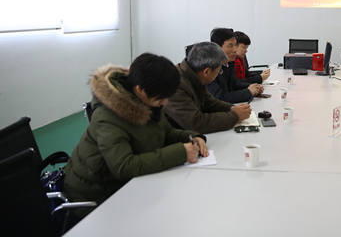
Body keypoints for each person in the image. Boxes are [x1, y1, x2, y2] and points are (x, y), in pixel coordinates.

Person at [64, 53, 208, 221]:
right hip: (95, 194)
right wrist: (181, 153)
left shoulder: (149, 101)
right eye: (161, 97)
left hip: (127, 186)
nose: (164, 102)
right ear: (140, 89)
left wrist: (192, 137)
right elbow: (123, 166)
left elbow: (165, 132)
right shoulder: (108, 116)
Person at [165, 41, 252, 133]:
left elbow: (210, 102)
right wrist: (235, 116)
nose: (219, 73)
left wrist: (231, 108)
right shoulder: (175, 85)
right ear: (206, 72)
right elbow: (197, 123)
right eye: (219, 71)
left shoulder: (194, 75)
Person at [207, 27, 263, 103]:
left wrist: (253, 87)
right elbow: (219, 97)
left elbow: (235, 83)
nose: (235, 50)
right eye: (230, 46)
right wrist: (248, 92)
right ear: (217, 48)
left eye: (236, 45)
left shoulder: (229, 62)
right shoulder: (210, 67)